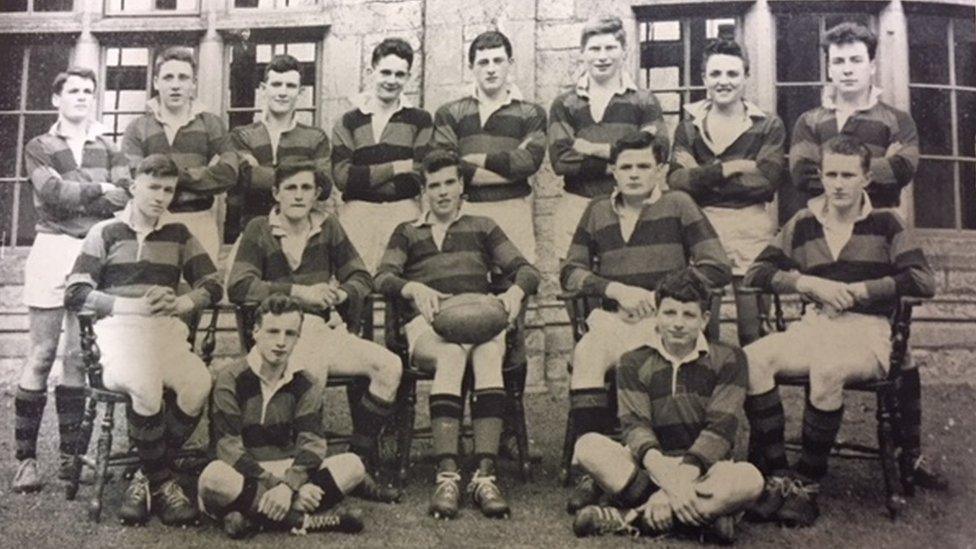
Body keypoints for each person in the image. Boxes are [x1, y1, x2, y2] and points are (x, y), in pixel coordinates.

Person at [742, 135, 937, 527]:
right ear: (820, 176)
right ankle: (779, 475)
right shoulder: (802, 223)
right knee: (753, 358)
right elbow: (756, 273)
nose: (839, 184)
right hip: (815, 325)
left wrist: (866, 290)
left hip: (868, 332)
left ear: (866, 178)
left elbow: (922, 280)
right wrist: (805, 284)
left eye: (848, 175)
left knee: (828, 368)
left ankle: (808, 484)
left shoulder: (886, 223)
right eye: (831, 174)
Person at [561, 131, 731, 514]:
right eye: (626, 167)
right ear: (612, 172)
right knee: (588, 350)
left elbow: (715, 267)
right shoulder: (597, 210)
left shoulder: (679, 204)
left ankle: (654, 464)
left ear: (659, 170)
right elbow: (570, 272)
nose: (634, 174)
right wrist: (615, 290)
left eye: (643, 166)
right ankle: (594, 469)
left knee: (639, 360)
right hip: (616, 318)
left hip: (665, 325)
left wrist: (662, 299)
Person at [376, 150, 540, 519]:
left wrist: (514, 292)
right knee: (451, 355)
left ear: (462, 185)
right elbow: (382, 276)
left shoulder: (482, 224)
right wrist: (412, 289)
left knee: (485, 354)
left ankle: (485, 475)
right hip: (429, 324)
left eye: (450, 182)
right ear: (424, 191)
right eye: (434, 185)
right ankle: (447, 474)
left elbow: (526, 270)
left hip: (479, 317)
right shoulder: (407, 231)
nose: (443, 192)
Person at [227, 159, 402, 502]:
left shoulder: (328, 225)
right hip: (280, 337)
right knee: (310, 371)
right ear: (276, 193)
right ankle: (303, 473)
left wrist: (341, 294)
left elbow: (361, 277)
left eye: (306, 188)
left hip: (324, 330)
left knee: (390, 367)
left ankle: (359, 458)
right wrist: (299, 294)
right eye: (290, 188)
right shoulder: (259, 229)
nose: (298, 195)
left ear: (317, 193)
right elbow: (239, 286)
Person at [63, 154, 222, 526]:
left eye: (168, 190)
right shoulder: (104, 232)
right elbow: (74, 293)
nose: (161, 197)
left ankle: (144, 474)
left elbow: (213, 285)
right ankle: (163, 484)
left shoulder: (179, 234)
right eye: (153, 187)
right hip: (116, 336)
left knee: (199, 382)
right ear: (134, 187)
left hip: (164, 334)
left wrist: (184, 301)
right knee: (145, 383)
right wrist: (131, 307)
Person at [571, 269, 762, 544]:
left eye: (689, 315)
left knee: (751, 479)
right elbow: (635, 427)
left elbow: (720, 430)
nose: (678, 324)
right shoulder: (632, 361)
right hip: (651, 465)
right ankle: (701, 519)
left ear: (704, 319)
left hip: (706, 469)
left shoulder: (729, 358)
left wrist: (670, 489)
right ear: (656, 317)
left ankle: (629, 519)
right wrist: (667, 480)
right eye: (669, 313)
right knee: (588, 446)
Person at [13, 67, 131, 493]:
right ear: (55, 99)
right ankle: (26, 461)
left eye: (88, 91)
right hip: (50, 248)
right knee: (43, 353)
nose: (82, 97)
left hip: (92, 252)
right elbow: (51, 195)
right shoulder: (39, 145)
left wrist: (86, 189)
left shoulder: (109, 146)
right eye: (74, 91)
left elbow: (124, 194)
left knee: (79, 357)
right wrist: (99, 189)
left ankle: (70, 459)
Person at [432, 29, 547, 456]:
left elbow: (528, 163)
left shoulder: (531, 112)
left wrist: (474, 162)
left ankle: (508, 430)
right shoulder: (451, 111)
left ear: (509, 63)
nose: (491, 68)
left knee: (512, 320)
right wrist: (501, 166)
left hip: (513, 214)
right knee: (467, 315)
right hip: (466, 219)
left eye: (498, 60)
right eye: (483, 61)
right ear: (472, 66)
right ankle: (464, 423)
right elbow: (446, 166)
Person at [198, 294, 367, 539]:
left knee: (353, 466)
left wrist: (289, 483)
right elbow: (229, 448)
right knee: (213, 478)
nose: (281, 342)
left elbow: (312, 443)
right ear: (255, 332)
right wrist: (282, 487)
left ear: (298, 337)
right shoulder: (230, 378)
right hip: (243, 473)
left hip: (286, 470)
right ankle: (306, 519)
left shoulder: (306, 382)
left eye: (290, 334)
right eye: (272, 332)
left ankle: (251, 518)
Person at [668, 38, 787, 346]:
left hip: (752, 228)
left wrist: (701, 174)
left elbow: (767, 181)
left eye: (733, 74)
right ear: (704, 78)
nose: (724, 82)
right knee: (704, 323)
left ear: (745, 77)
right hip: (702, 227)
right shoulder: (689, 127)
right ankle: (710, 392)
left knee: (753, 328)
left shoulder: (768, 125)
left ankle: (753, 393)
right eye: (716, 74)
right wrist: (730, 167)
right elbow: (676, 181)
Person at [548, 15, 668, 258]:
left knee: (627, 280)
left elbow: (658, 151)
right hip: (577, 204)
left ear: (624, 51)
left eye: (610, 48)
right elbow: (561, 161)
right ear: (583, 53)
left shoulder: (644, 101)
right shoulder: (565, 103)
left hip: (630, 204)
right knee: (577, 283)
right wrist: (626, 159)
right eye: (594, 49)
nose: (602, 56)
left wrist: (592, 149)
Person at [121, 46, 238, 261]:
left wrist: (170, 176)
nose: (175, 85)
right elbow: (134, 177)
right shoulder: (138, 128)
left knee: (199, 290)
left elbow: (229, 172)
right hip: (153, 223)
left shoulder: (211, 125)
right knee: (156, 288)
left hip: (200, 221)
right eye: (168, 77)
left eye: (183, 78)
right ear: (156, 82)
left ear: (193, 84)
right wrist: (201, 176)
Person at [789, 22, 919, 212]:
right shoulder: (809, 121)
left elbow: (901, 171)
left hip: (877, 229)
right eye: (839, 61)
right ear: (829, 69)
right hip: (822, 229)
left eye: (856, 60)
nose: (847, 69)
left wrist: (831, 172)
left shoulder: (898, 120)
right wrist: (875, 169)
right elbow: (802, 176)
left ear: (872, 66)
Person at [332, 38, 432, 272]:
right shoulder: (348, 121)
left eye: (399, 74)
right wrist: (397, 167)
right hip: (357, 215)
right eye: (385, 72)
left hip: (404, 212)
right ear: (371, 72)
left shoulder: (420, 120)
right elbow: (342, 178)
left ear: (408, 77)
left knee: (401, 287)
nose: (391, 81)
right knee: (357, 288)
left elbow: (419, 174)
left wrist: (364, 178)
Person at [230, 53, 332, 236]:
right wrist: (303, 175)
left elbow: (324, 187)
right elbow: (242, 181)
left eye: (291, 86)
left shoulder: (315, 137)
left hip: (302, 234)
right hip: (254, 233)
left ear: (300, 91)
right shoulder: (242, 135)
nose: (283, 92)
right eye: (276, 84)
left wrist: (260, 172)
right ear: (263, 88)